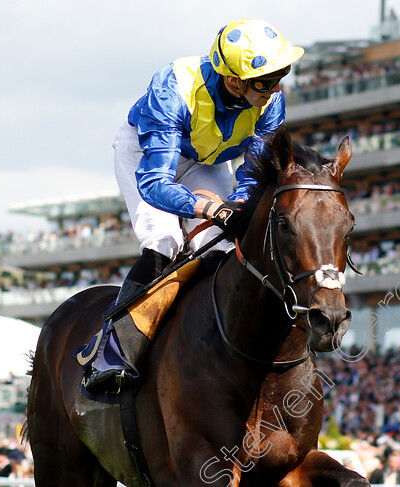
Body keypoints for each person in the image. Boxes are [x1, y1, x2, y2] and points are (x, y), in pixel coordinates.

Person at [81, 18, 304, 394]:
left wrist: (235, 206)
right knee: (164, 241)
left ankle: (216, 345)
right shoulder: (174, 88)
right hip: (147, 155)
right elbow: (155, 184)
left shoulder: (270, 102)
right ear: (234, 80)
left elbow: (252, 174)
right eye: (265, 81)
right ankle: (112, 350)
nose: (275, 88)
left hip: (206, 159)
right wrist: (207, 209)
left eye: (281, 75)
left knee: (219, 245)